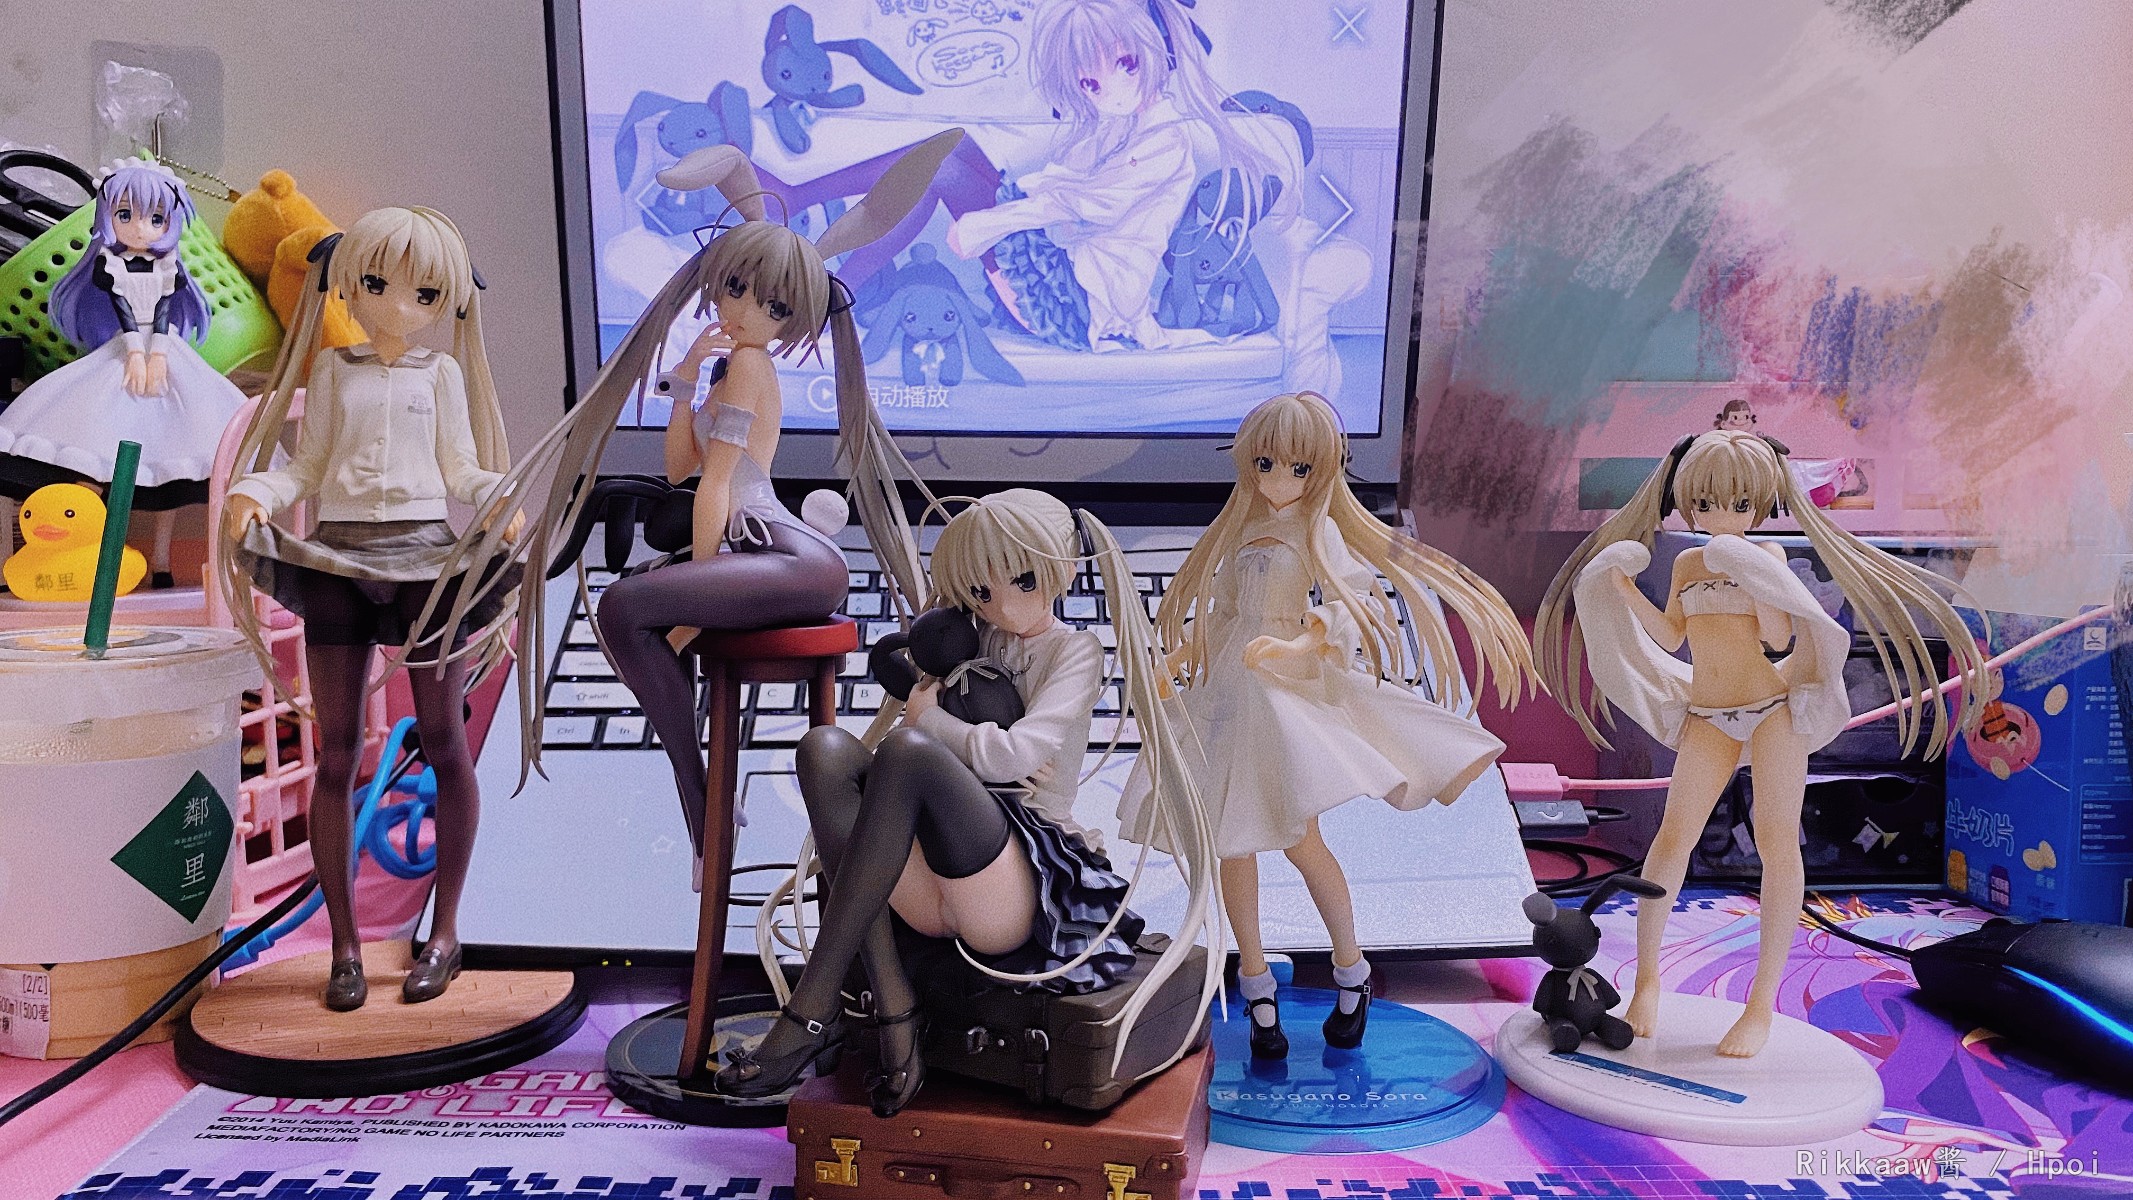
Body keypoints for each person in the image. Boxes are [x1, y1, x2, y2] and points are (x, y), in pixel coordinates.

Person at [1534, 429, 1987, 1055]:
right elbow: (1671, 638)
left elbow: (1778, 639)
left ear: (1762, 504)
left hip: (1772, 711)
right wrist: (1622, 589)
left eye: (1740, 503)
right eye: (1707, 502)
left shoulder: (1766, 555)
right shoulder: (1688, 564)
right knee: (1672, 839)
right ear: (1686, 500)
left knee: (1778, 843)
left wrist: (1752, 574)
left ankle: (1759, 1007)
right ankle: (1646, 982)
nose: (1723, 515)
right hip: (1708, 712)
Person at [1121, 391, 1535, 1056]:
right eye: (1265, 463)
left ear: (1321, 470)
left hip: (1280, 694)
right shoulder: (1240, 531)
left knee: (1300, 840)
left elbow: (1351, 604)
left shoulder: (1317, 531)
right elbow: (1221, 612)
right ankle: (1256, 985)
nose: (1277, 480)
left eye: (1298, 467)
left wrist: (1298, 643)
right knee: (1230, 846)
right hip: (1227, 692)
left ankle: (1351, 967)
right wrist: (1179, 658)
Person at [218, 207, 518, 1010]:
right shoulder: (332, 372)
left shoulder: (441, 375)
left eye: (424, 292)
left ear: (447, 300)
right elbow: (307, 467)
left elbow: (461, 467)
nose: (398, 305)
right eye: (378, 283)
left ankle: (443, 932)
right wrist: (255, 489)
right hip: (339, 559)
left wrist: (500, 497)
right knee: (338, 752)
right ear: (351, 282)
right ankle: (344, 948)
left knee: (445, 741)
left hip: (426, 562)